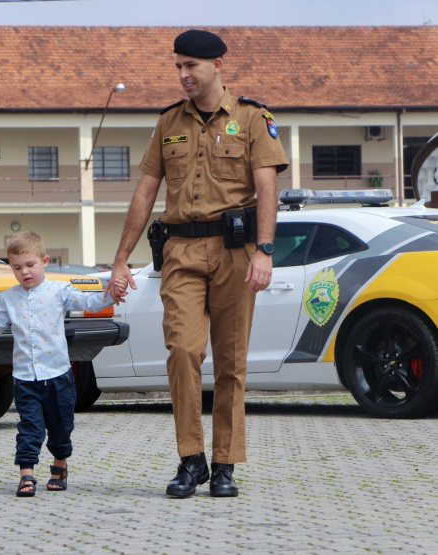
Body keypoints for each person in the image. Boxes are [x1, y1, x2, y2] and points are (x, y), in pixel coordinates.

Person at [109, 29, 288, 498]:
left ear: (217, 65)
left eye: (191, 66)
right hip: (181, 252)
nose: (183, 75)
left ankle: (226, 463)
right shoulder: (168, 122)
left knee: (231, 364)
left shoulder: (252, 118)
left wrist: (266, 251)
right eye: (178, 67)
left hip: (236, 251)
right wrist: (121, 259)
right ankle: (192, 459)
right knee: (184, 352)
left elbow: (267, 188)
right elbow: (146, 190)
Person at [0, 231, 114, 497]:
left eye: (30, 265)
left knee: (61, 428)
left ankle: (60, 466)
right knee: (29, 428)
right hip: (26, 379)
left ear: (45, 261)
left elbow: (90, 301)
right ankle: (26, 474)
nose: (25, 272)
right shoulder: (8, 298)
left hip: (58, 377)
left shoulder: (58, 290)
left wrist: (111, 294)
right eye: (17, 267)